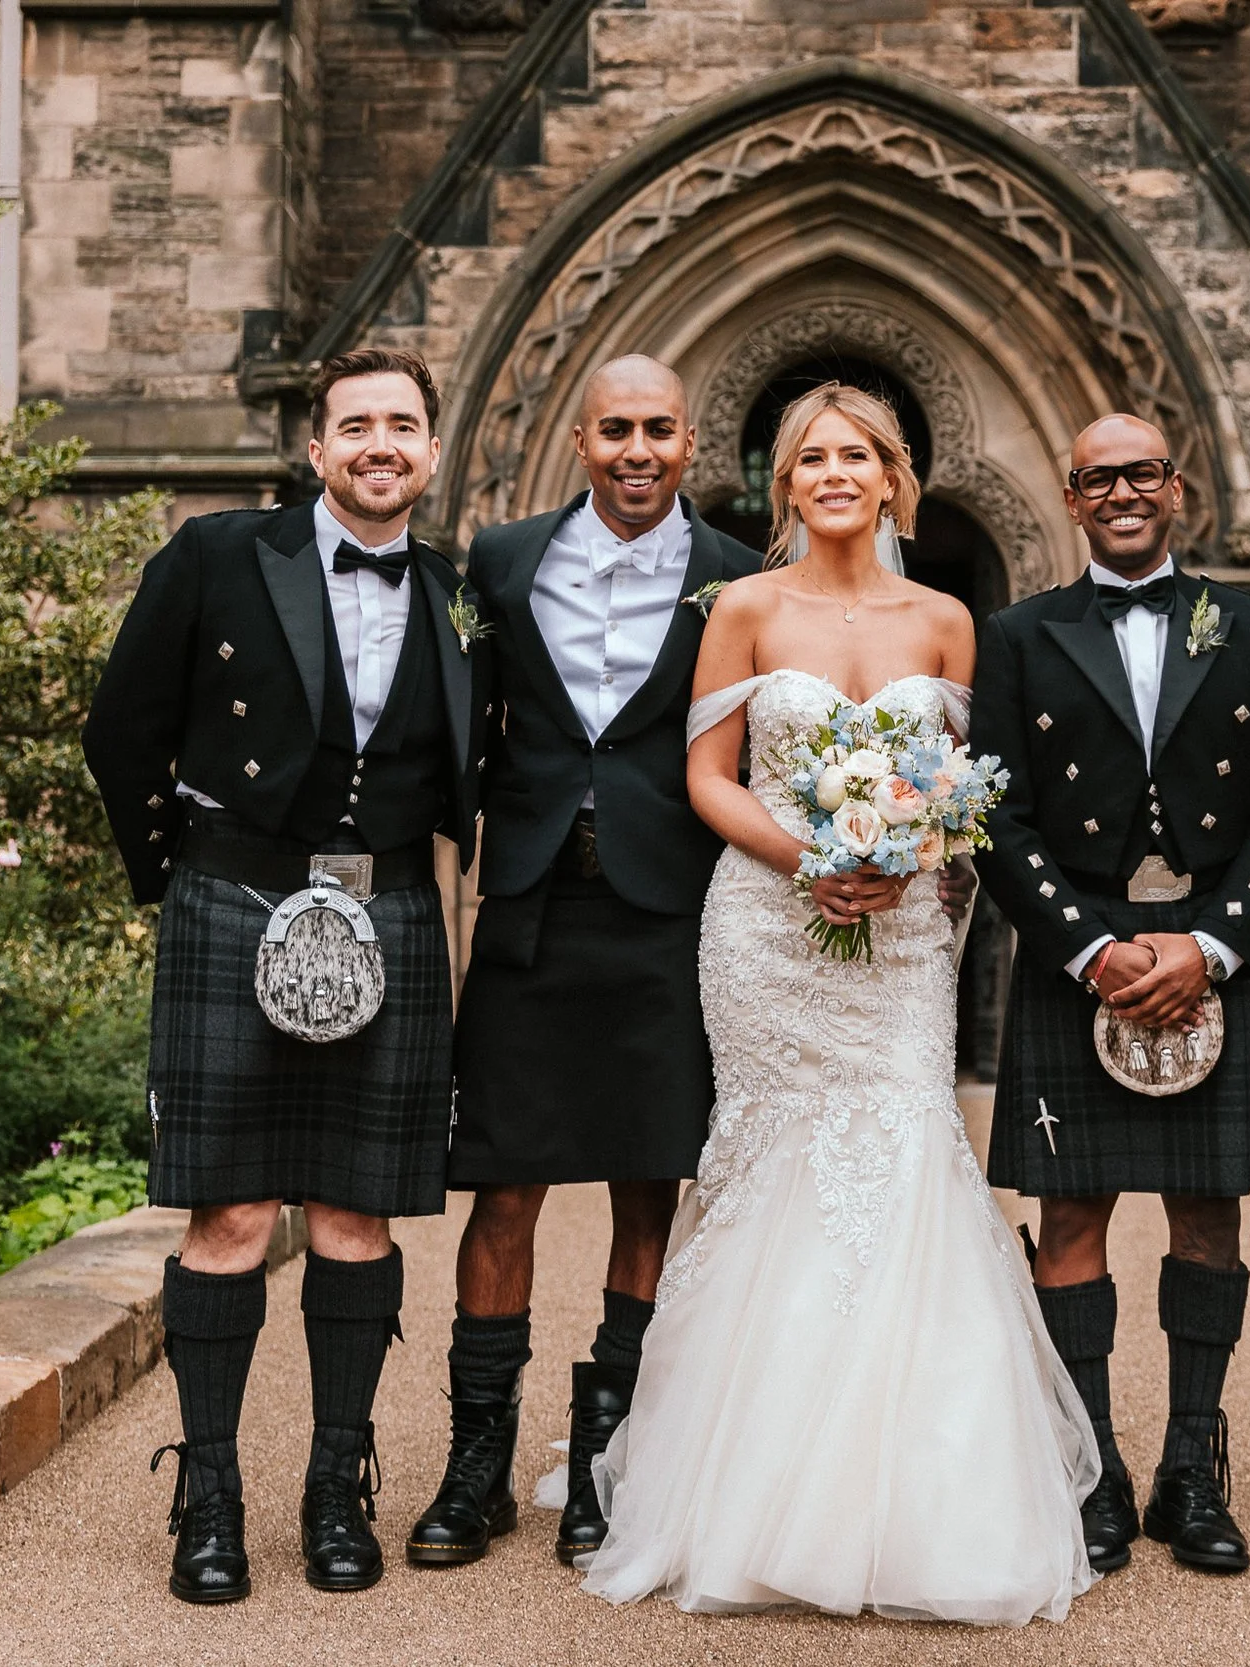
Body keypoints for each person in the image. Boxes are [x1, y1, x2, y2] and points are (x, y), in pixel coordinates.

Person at [578, 383, 1098, 1623]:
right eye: (809, 457)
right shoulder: (743, 609)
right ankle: (742, 1493)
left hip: (906, 936)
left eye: (853, 454)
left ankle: (921, 1503)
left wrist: (901, 855)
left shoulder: (946, 620)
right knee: (772, 1166)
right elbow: (705, 774)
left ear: (893, 475)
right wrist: (809, 857)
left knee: (906, 1156)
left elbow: (963, 793)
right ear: (783, 483)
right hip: (766, 932)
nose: (831, 473)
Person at [81, 347, 484, 1603]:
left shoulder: (460, 592)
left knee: (358, 1215)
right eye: (355, 424)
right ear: (316, 450)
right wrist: (191, 879)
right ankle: (208, 1496)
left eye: (402, 426)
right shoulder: (218, 552)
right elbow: (121, 724)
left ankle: (334, 1487)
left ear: (430, 451)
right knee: (235, 1217)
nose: (380, 444)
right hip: (235, 894)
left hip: (391, 904)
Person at [412, 356, 762, 1569]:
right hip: (528, 911)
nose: (636, 450)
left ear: (691, 438)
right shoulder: (500, 562)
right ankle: (476, 1467)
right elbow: (457, 712)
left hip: (669, 912)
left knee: (646, 1182)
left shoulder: (734, 577)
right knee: (503, 1187)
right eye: (615, 428)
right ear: (579, 436)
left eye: (658, 429)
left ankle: (607, 1461)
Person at [975, 416, 1250, 1577]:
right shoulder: (1018, 635)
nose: (1120, 491)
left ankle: (1190, 1467)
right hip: (1086, 955)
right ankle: (1093, 1469)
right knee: (1072, 1212)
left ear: (1177, 488)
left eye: (1140, 472)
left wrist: (1214, 944)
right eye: (1096, 478)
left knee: (1207, 1209)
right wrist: (1090, 950)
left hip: (1206, 950)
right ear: (1071, 501)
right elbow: (999, 817)